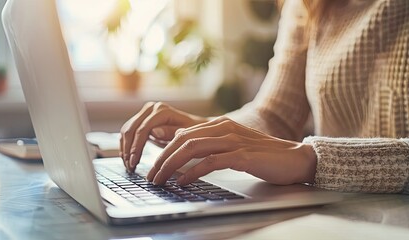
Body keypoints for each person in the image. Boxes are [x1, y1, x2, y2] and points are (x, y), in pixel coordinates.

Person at [119, 0, 409, 194]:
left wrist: (312, 159)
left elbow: (305, 154)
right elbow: (275, 114)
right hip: (338, 213)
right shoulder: (309, 4)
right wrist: (206, 129)